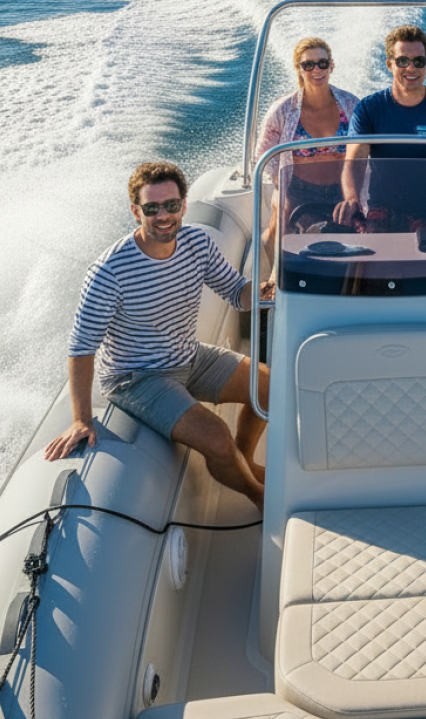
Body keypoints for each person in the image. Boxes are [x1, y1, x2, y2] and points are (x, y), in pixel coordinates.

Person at [44, 162, 268, 507]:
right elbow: (80, 348)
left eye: (172, 205)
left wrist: (262, 292)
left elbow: (236, 292)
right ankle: (261, 497)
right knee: (216, 438)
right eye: (152, 208)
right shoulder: (110, 272)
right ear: (136, 211)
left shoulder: (196, 242)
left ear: (184, 205)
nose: (163, 215)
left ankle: (243, 461)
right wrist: (81, 420)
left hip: (187, 355)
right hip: (137, 378)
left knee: (268, 386)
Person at [334, 24, 426, 231]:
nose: (411, 68)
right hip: (382, 212)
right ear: (389, 65)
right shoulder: (369, 109)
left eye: (418, 61)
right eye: (402, 61)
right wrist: (352, 198)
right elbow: (355, 161)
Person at [255, 37, 359, 293]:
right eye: (308, 65)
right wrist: (281, 189)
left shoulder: (352, 105)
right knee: (283, 213)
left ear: (331, 65)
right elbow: (263, 157)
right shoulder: (282, 111)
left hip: (342, 190)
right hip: (298, 188)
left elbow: (367, 153)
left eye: (322, 63)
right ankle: (275, 278)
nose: (316, 70)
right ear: (298, 69)